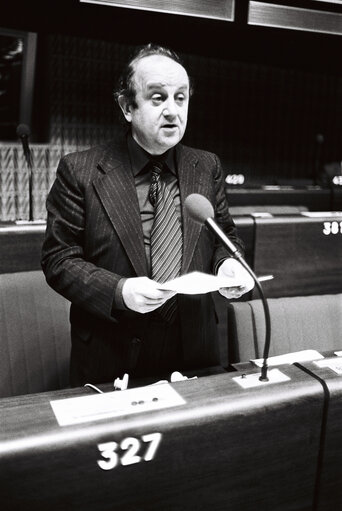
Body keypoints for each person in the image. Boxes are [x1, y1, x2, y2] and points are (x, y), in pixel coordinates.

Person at [41, 43, 254, 387]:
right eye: (158, 98)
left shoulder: (206, 165)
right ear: (128, 106)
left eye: (181, 98)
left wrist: (227, 264)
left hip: (195, 350)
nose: (173, 110)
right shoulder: (80, 170)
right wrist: (119, 290)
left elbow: (223, 237)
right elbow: (59, 259)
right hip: (111, 352)